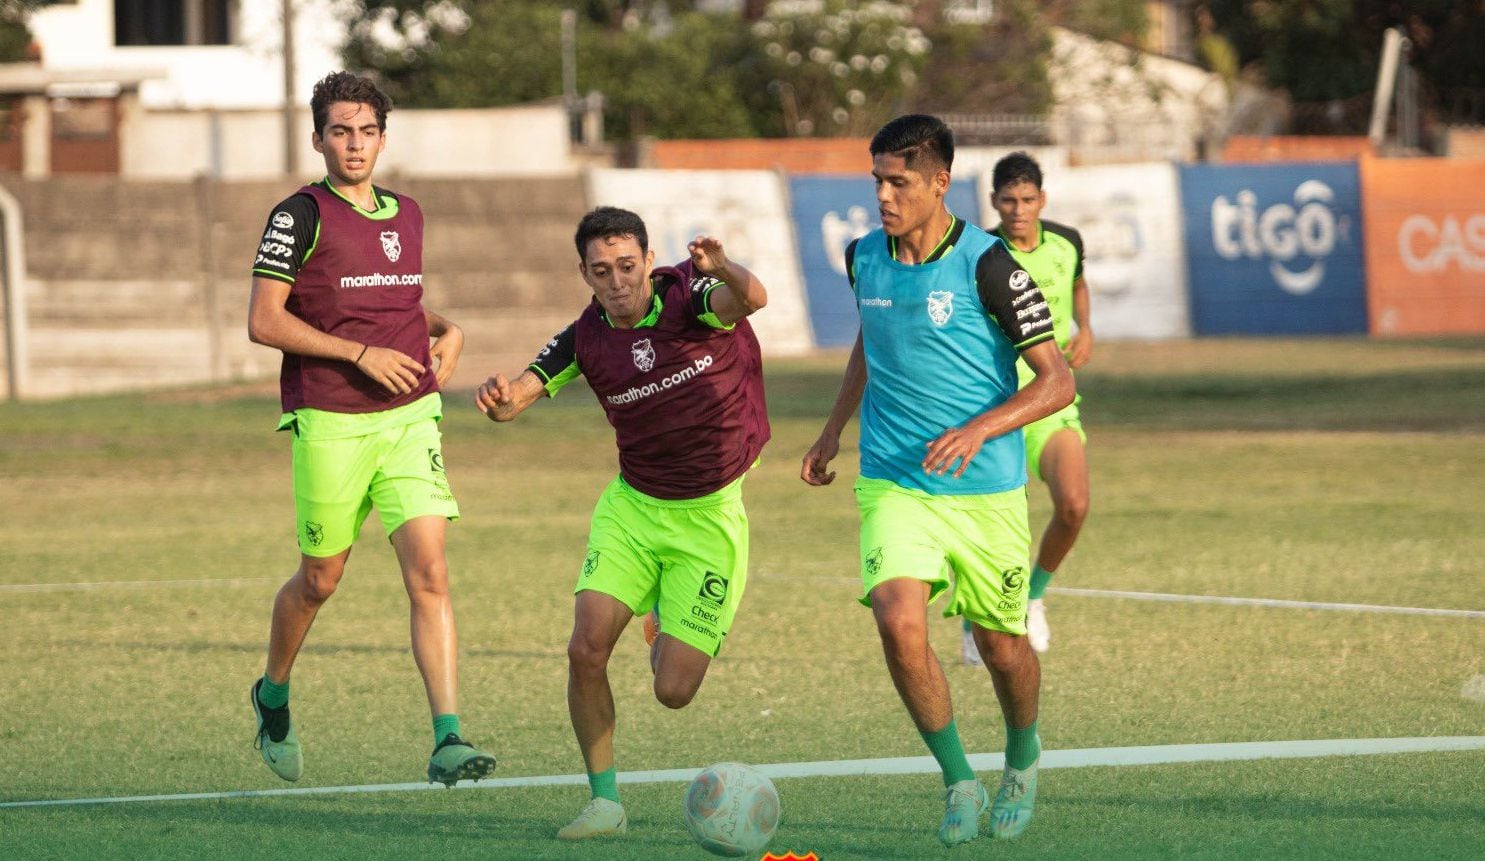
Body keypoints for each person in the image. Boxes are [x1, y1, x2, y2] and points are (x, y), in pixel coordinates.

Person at [800, 115, 1074, 845]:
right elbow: (872, 335)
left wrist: (980, 427)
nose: (884, 196)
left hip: (984, 491)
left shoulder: (989, 265)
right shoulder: (864, 257)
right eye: (878, 181)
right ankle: (957, 779)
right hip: (893, 477)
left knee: (1001, 646)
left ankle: (1021, 755)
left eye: (900, 182)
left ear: (939, 182)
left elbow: (1057, 380)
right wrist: (833, 429)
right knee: (896, 618)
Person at [475, 206, 769, 841]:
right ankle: (605, 801)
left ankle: (662, 616)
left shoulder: (691, 297)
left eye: (628, 266)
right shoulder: (585, 337)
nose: (618, 282)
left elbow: (751, 298)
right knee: (585, 648)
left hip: (709, 518)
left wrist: (722, 267)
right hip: (632, 510)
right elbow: (519, 398)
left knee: (673, 691)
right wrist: (502, 401)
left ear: (647, 258)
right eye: (602, 271)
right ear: (583, 272)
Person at [246, 71, 496, 787]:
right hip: (329, 416)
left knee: (431, 572)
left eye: (365, 131)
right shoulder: (298, 215)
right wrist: (358, 353)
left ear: (383, 137)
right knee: (321, 579)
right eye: (339, 131)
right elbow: (266, 320)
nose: (353, 144)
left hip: (411, 417)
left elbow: (395, 304)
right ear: (318, 138)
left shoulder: (407, 213)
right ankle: (273, 692)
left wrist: (446, 328)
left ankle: (448, 736)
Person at [961, 151, 1093, 663]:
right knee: (985, 526)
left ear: (1042, 199)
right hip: (994, 407)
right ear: (994, 201)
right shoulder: (981, 253)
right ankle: (977, 620)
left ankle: (1033, 596)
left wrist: (1087, 326)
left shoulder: (1067, 242)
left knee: (1074, 505)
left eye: (1027, 199)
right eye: (1008, 200)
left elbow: (1078, 282)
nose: (1018, 209)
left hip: (1052, 400)